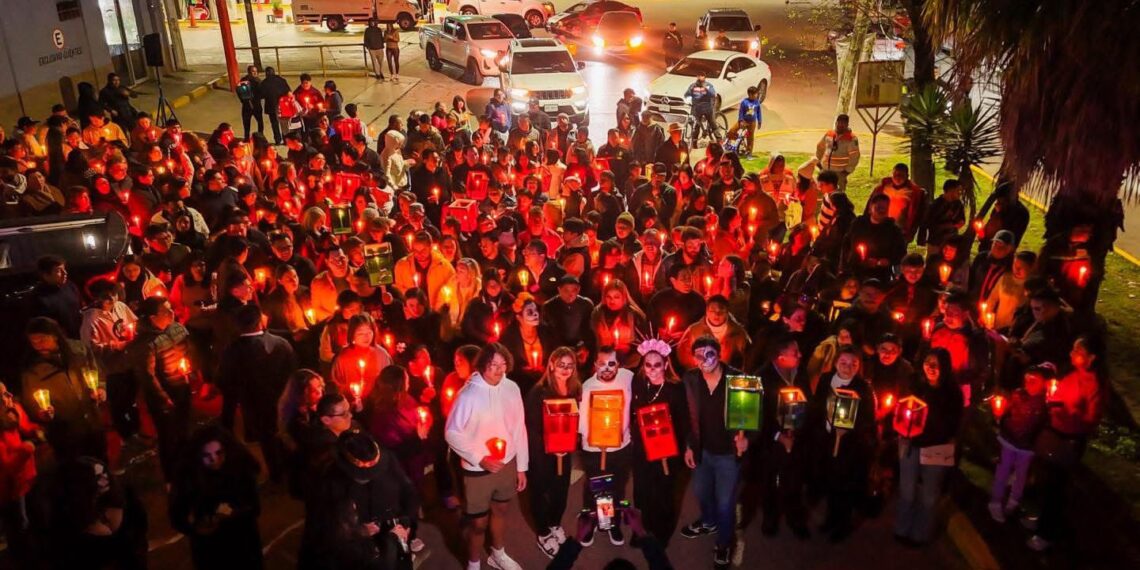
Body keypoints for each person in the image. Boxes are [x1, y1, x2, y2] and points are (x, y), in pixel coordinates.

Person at [445, 343, 528, 570]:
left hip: (506, 463)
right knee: (478, 523)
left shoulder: (512, 389)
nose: (499, 370)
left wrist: (521, 466)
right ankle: (473, 564)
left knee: (501, 510)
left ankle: (498, 553)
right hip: (478, 469)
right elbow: (451, 432)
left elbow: (519, 427)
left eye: (503, 365)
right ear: (482, 365)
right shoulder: (468, 395)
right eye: (494, 365)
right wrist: (479, 458)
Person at [678, 336, 752, 569]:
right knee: (700, 492)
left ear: (719, 355)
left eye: (709, 354)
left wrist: (747, 438)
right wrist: (690, 445)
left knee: (724, 503)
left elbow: (753, 417)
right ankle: (708, 522)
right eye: (698, 355)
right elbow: (689, 417)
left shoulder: (739, 380)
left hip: (728, 455)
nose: (704, 360)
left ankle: (723, 544)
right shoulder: (690, 378)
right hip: (703, 451)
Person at [1027, 336, 1105, 551]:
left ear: (1091, 358)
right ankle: (1040, 520)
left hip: (1068, 442)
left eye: (1078, 351)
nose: (1072, 353)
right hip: (1054, 434)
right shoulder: (1071, 372)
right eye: (1073, 349)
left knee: (1056, 489)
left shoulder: (1094, 385)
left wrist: (1066, 413)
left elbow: (1090, 420)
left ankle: (1047, 533)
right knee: (1044, 482)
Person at [303, 429, 418, 569]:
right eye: (361, 474)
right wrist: (359, 531)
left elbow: (408, 490)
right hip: (363, 551)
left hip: (391, 532)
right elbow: (332, 539)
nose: (369, 476)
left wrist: (406, 523)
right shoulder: (329, 486)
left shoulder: (387, 459)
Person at [215, 303, 298, 480]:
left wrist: (231, 409)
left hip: (254, 406)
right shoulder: (281, 344)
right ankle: (293, 469)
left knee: (267, 440)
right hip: (284, 401)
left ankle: (277, 474)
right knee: (287, 433)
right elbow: (293, 372)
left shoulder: (232, 351)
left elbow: (225, 381)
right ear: (260, 322)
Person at [894, 348, 963, 546]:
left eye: (937, 364)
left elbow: (955, 422)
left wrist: (950, 439)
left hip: (936, 447)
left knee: (929, 495)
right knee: (907, 489)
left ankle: (920, 533)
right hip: (910, 443)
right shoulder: (914, 384)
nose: (931, 368)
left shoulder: (952, 392)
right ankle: (902, 527)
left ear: (945, 367)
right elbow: (901, 407)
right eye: (928, 362)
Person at [169, 425, 264, 569]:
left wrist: (233, 513)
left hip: (243, 541)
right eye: (207, 456)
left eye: (219, 453)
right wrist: (195, 528)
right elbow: (177, 515)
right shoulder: (189, 475)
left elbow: (255, 507)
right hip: (210, 547)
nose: (214, 459)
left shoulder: (240, 468)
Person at [21, 317, 107, 462]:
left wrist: (100, 389)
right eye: (33, 341)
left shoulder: (79, 350)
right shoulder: (32, 369)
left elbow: (96, 371)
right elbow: (30, 401)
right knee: (74, 467)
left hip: (91, 419)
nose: (37, 345)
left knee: (100, 459)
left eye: (41, 339)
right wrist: (41, 414)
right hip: (64, 430)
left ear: (54, 335)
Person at [128, 297, 195, 481]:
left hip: (182, 386)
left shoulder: (177, 328)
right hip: (163, 396)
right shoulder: (145, 343)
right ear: (152, 318)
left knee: (184, 430)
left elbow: (189, 349)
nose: (172, 313)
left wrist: (191, 369)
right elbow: (148, 376)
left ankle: (187, 468)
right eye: (165, 311)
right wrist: (164, 397)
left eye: (170, 309)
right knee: (167, 438)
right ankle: (171, 478)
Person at [524, 346, 582, 557]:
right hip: (541, 452)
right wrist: (551, 446)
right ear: (551, 365)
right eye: (561, 365)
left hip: (564, 452)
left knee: (561, 489)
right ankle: (543, 532)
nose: (565, 369)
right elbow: (531, 426)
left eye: (569, 365)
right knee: (540, 492)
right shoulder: (539, 392)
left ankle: (555, 523)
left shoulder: (576, 389)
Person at [630, 339, 688, 546]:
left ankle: (661, 534)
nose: (652, 369)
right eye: (648, 364)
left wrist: (680, 449)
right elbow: (632, 412)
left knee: (663, 493)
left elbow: (684, 423)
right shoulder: (638, 383)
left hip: (666, 452)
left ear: (665, 364)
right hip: (642, 451)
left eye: (657, 365)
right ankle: (641, 532)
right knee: (641, 492)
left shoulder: (675, 389)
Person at [576, 345, 634, 547]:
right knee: (597, 488)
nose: (607, 368)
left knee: (617, 488)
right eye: (602, 364)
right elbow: (581, 422)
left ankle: (611, 522)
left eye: (612, 363)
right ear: (595, 365)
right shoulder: (586, 387)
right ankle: (591, 521)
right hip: (594, 448)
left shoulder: (627, 378)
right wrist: (598, 436)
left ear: (618, 364)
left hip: (621, 447)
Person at [988, 363, 1050, 523]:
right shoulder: (1018, 395)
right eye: (1027, 380)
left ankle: (1013, 501)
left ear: (1044, 383)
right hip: (1009, 441)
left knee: (1020, 475)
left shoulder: (1046, 404)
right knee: (1003, 470)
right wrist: (999, 414)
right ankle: (995, 502)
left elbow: (1045, 425)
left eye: (1034, 380)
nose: (1029, 384)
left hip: (1028, 447)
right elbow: (1006, 413)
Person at [29, 255, 83, 338]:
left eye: (64, 269)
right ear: (46, 275)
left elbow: (80, 308)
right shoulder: (38, 298)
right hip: (61, 341)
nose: (65, 273)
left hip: (80, 336)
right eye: (58, 270)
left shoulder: (70, 286)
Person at [815, 114, 860, 191]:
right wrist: (819, 161)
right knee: (822, 192)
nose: (840, 125)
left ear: (847, 125)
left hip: (839, 173)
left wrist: (847, 171)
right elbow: (820, 147)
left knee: (836, 196)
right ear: (836, 123)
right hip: (825, 170)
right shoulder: (829, 134)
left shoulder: (851, 139)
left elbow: (854, 157)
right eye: (838, 123)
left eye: (843, 124)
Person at [683, 74, 720, 147]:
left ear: (705, 78)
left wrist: (705, 89)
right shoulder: (693, 86)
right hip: (696, 109)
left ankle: (719, 140)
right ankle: (694, 144)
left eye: (702, 76)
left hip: (707, 108)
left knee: (712, 123)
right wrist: (690, 92)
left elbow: (713, 95)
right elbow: (686, 94)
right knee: (696, 125)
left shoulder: (708, 85)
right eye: (699, 76)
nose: (700, 78)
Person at [728, 86, 761, 156]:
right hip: (743, 121)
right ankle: (740, 141)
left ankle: (749, 152)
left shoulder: (757, 102)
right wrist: (741, 120)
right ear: (750, 94)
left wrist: (759, 121)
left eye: (757, 94)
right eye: (755, 94)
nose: (756, 95)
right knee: (732, 131)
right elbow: (741, 112)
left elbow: (758, 112)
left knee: (750, 138)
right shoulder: (744, 102)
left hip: (752, 123)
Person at [237, 65, 264, 140]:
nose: (255, 73)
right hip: (255, 105)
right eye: (253, 71)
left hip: (246, 105)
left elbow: (239, 92)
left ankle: (246, 138)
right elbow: (262, 93)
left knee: (247, 124)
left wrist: (243, 101)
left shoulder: (243, 80)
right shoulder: (258, 81)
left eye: (256, 71)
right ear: (249, 72)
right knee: (260, 122)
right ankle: (260, 137)